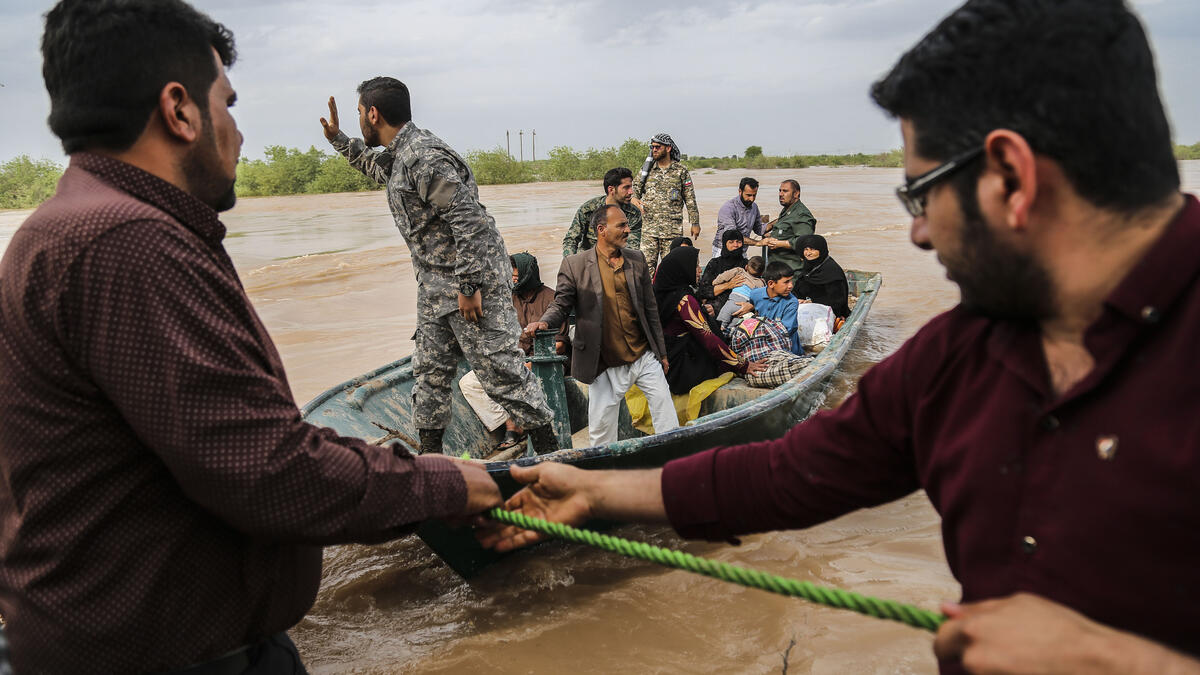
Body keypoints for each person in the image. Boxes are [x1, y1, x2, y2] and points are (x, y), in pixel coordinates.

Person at [479, 1, 1200, 672]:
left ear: (1010, 175)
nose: (917, 231)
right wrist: (597, 495)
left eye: (920, 194)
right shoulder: (958, 360)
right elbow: (783, 473)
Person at [0, 2, 503, 672]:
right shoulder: (129, 244)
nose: (236, 132)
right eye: (227, 105)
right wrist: (449, 486)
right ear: (180, 110)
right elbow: (268, 469)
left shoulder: (68, 229)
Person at [320, 78, 557, 455]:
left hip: (470, 283)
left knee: (502, 374)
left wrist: (468, 287)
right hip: (435, 288)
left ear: (373, 113)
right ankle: (430, 463)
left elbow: (469, 222)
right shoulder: (399, 157)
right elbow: (373, 166)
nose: (360, 120)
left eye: (359, 114)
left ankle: (553, 457)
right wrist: (337, 138)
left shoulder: (422, 157)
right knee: (429, 376)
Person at [524, 205, 679, 446]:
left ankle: (674, 464)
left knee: (666, 417)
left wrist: (661, 353)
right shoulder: (575, 265)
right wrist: (544, 322)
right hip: (604, 361)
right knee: (601, 434)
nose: (628, 230)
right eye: (622, 225)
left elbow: (651, 310)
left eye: (628, 225)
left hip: (643, 355)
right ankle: (603, 474)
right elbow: (561, 304)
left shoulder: (636, 259)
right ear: (601, 230)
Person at [458, 253, 569, 458]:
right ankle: (513, 422)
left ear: (528, 273)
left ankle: (515, 426)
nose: (512, 278)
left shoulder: (552, 299)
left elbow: (560, 345)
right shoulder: (507, 300)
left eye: (516, 274)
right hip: (514, 361)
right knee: (469, 382)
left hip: (547, 363)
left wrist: (529, 364)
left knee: (516, 378)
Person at [652, 246, 766, 393]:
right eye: (696, 266)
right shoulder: (685, 300)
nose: (700, 270)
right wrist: (743, 365)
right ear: (683, 269)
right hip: (683, 366)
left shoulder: (665, 293)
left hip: (667, 358)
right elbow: (708, 339)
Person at [635, 133, 701, 270]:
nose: (654, 150)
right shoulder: (647, 170)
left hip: (672, 231)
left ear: (668, 148)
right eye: (652, 147)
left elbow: (690, 199)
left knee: (671, 269)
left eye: (658, 147)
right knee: (645, 269)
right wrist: (634, 199)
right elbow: (635, 189)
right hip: (649, 230)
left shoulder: (680, 171)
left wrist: (695, 223)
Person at [562, 167, 643, 256]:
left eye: (631, 187)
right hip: (588, 259)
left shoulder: (633, 213)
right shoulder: (588, 209)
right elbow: (571, 240)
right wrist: (571, 263)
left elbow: (632, 247)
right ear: (611, 189)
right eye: (626, 187)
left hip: (617, 258)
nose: (631, 192)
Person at [731, 261, 804, 355]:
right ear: (771, 284)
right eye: (786, 282)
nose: (791, 286)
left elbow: (786, 330)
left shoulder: (791, 302)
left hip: (786, 347)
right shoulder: (755, 294)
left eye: (791, 281)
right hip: (762, 342)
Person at [761, 180, 816, 273]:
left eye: (785, 191)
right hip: (777, 270)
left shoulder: (802, 215)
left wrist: (778, 244)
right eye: (780, 191)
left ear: (796, 194)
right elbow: (785, 232)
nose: (781, 194)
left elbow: (804, 242)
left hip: (791, 273)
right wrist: (771, 236)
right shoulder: (787, 210)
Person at [792, 235, 851, 318]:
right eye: (806, 249)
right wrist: (796, 300)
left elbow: (837, 302)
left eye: (812, 249)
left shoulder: (831, 270)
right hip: (807, 306)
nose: (808, 253)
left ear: (821, 250)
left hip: (831, 311)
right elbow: (799, 288)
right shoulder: (809, 266)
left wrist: (811, 302)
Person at [698, 229, 750, 315]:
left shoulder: (747, 265)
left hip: (739, 310)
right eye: (731, 242)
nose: (736, 245)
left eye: (739, 242)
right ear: (725, 243)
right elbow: (703, 291)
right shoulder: (715, 263)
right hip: (714, 310)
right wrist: (728, 285)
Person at [711, 177, 765, 257]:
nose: (752, 199)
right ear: (740, 191)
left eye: (754, 195)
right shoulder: (728, 208)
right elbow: (733, 236)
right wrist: (757, 243)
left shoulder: (754, 207)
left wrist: (777, 222)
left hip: (741, 251)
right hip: (723, 251)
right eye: (748, 195)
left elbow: (759, 229)